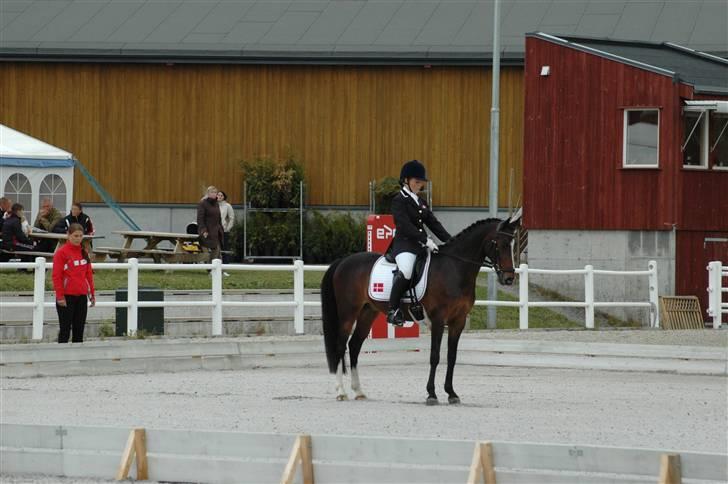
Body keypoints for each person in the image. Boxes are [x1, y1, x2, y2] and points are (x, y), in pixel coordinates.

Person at [387, 160, 452, 326]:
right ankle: (393, 310)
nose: (419, 185)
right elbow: (404, 225)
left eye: (421, 183)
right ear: (406, 181)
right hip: (404, 245)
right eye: (416, 182)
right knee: (407, 271)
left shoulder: (421, 202)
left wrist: (451, 241)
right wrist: (425, 239)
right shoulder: (399, 200)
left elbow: (434, 224)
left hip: (421, 246)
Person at [52, 223, 95, 343]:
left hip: (81, 296)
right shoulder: (61, 253)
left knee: (79, 331)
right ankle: (61, 358)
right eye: (75, 235)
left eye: (80, 236)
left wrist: (92, 294)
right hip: (66, 297)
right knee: (65, 330)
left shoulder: (84, 252)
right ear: (68, 235)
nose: (78, 238)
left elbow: (89, 275)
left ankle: (78, 358)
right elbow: (57, 276)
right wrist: (60, 296)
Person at [197, 186, 224, 263]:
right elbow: (200, 219)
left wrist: (221, 228)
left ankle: (219, 270)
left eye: (215, 192)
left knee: (218, 250)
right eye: (212, 192)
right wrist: (203, 230)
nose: (214, 194)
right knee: (215, 249)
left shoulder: (216, 204)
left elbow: (219, 218)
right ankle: (211, 268)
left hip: (217, 231)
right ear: (208, 193)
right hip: (208, 231)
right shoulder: (203, 204)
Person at [217, 190, 234, 263]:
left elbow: (231, 218)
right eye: (218, 195)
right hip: (214, 230)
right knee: (215, 248)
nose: (219, 197)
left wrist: (228, 228)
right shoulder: (213, 205)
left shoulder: (227, 206)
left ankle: (225, 266)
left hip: (224, 230)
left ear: (224, 197)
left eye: (221, 195)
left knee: (225, 248)